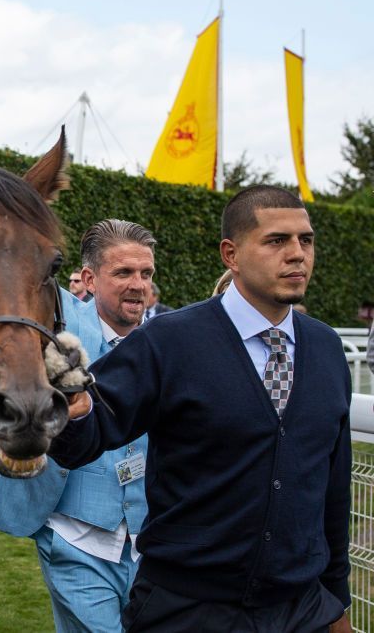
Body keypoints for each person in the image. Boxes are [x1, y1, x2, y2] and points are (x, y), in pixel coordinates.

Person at [51, 186, 352, 633]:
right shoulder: (169, 341)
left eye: (305, 240)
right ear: (231, 254)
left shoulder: (327, 349)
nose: (297, 255)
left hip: (301, 610)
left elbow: (333, 490)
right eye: (276, 241)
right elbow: (85, 437)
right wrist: (73, 410)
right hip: (187, 609)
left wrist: (335, 602)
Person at [0, 219, 155, 633]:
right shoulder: (56, 321)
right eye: (123, 273)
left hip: (146, 544)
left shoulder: (160, 341)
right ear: (88, 278)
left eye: (146, 273)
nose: (138, 284)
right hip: (72, 534)